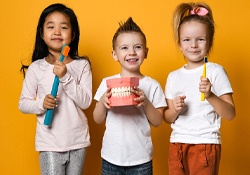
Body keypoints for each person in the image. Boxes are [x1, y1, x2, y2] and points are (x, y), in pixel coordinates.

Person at [18, 3, 92, 175]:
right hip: (49, 142)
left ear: (72, 35)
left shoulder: (82, 65)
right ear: (42, 34)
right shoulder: (37, 68)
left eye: (64, 27)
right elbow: (23, 104)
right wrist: (41, 104)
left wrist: (66, 77)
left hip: (78, 141)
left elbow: (86, 102)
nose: (57, 31)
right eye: (51, 27)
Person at [164, 2, 236, 175]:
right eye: (187, 40)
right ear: (179, 43)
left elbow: (230, 113)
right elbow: (167, 117)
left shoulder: (215, 71)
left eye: (200, 39)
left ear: (209, 42)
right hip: (177, 144)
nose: (194, 45)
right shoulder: (173, 77)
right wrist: (175, 109)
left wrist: (210, 95)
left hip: (206, 143)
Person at [93, 17, 167, 175]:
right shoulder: (107, 83)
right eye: (124, 48)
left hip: (141, 159)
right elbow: (97, 119)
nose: (132, 52)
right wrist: (102, 103)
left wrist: (145, 102)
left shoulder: (152, 85)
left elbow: (158, 121)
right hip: (110, 157)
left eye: (138, 47)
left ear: (146, 52)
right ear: (114, 54)